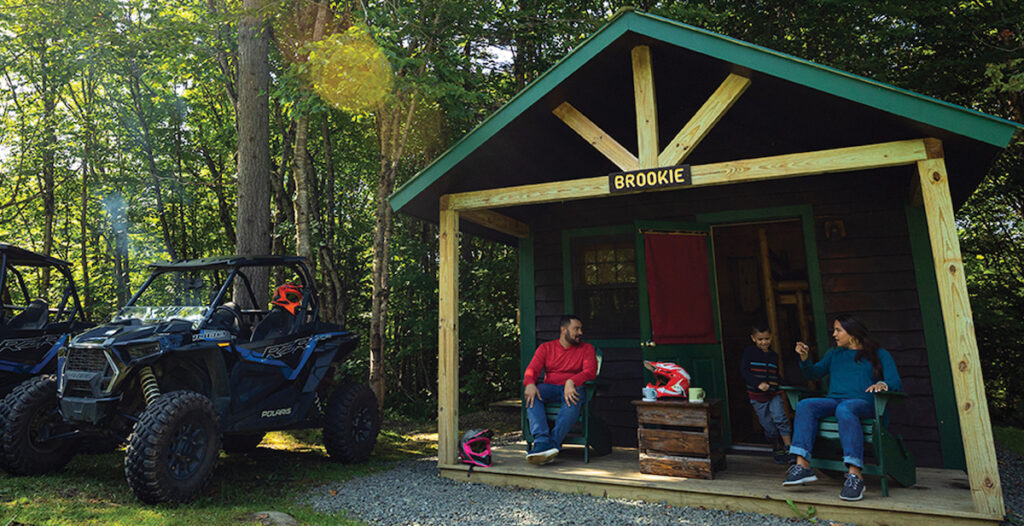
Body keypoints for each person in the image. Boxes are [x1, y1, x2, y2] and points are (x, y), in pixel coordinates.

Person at [782, 314, 902, 502]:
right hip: (835, 401)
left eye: (838, 330)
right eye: (834, 330)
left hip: (863, 403)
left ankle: (855, 476)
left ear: (852, 333)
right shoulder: (834, 353)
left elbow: (895, 381)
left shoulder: (878, 353)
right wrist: (804, 358)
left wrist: (882, 385)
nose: (835, 334)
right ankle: (803, 465)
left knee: (845, 409)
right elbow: (814, 373)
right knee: (806, 405)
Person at [523, 314, 597, 465]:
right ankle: (542, 440)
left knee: (572, 401)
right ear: (564, 330)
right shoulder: (546, 348)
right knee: (533, 395)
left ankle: (551, 445)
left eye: (580, 329)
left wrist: (572, 381)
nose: (580, 333)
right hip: (550, 388)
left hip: (573, 389)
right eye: (576, 329)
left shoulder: (586, 348)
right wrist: (530, 383)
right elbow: (532, 369)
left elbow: (590, 372)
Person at [739, 321, 793, 464]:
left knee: (780, 418)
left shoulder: (774, 355)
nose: (764, 342)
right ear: (753, 338)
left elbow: (775, 374)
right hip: (757, 395)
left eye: (767, 339)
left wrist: (785, 385)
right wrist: (758, 384)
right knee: (768, 426)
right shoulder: (749, 352)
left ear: (771, 338)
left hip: (774, 393)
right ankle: (777, 447)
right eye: (760, 339)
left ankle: (789, 448)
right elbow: (744, 371)